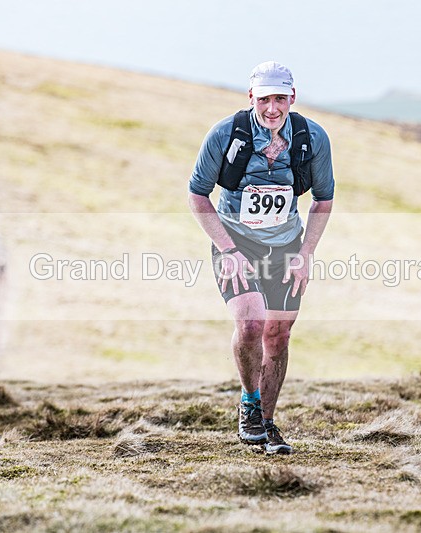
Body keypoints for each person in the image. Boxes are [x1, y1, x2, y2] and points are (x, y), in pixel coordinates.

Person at [188, 61, 334, 454]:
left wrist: (306, 253)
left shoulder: (311, 138)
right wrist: (228, 249)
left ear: (292, 98)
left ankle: (267, 425)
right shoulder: (225, 134)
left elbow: (323, 199)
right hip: (235, 242)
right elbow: (197, 196)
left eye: (280, 99)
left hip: (287, 246)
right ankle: (249, 404)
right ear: (251, 97)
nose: (273, 108)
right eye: (265, 99)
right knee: (251, 323)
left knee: (278, 334)